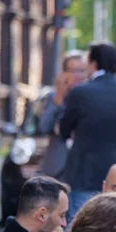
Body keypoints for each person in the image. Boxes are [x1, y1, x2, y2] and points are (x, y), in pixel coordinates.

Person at [59, 43, 116, 221]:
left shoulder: (80, 92)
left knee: (80, 224)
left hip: (84, 171)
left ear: (93, 64)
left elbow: (64, 131)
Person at [38, 50, 86, 178]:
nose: (78, 76)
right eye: (73, 71)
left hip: (83, 167)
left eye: (82, 71)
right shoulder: (53, 96)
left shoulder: (91, 97)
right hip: (58, 166)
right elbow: (44, 127)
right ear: (63, 73)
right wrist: (58, 98)